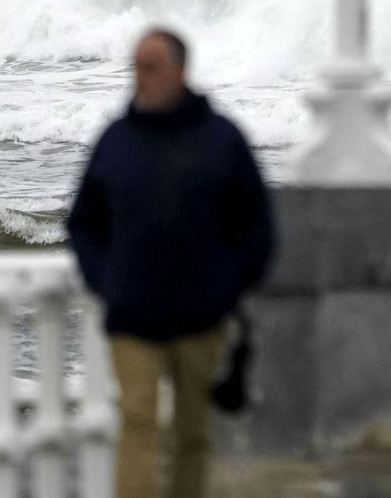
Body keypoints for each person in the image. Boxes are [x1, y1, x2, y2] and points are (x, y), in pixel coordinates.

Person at [67, 27, 274, 497]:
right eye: (136, 67)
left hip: (200, 318)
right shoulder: (115, 140)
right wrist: (105, 281)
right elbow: (83, 223)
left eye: (151, 67)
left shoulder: (221, 139)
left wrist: (227, 287)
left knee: (192, 433)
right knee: (137, 423)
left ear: (180, 72)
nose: (140, 77)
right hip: (132, 316)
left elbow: (257, 227)